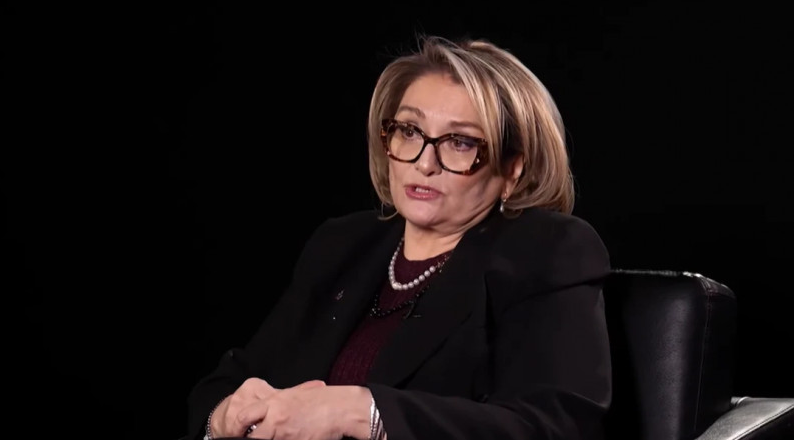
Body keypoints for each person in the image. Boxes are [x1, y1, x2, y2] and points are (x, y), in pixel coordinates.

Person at [184, 34, 612, 440]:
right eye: (409, 131)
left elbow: (556, 426)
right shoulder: (342, 244)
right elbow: (231, 380)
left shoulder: (548, 252)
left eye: (460, 142)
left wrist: (360, 412)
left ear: (512, 167)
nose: (425, 163)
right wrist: (224, 416)